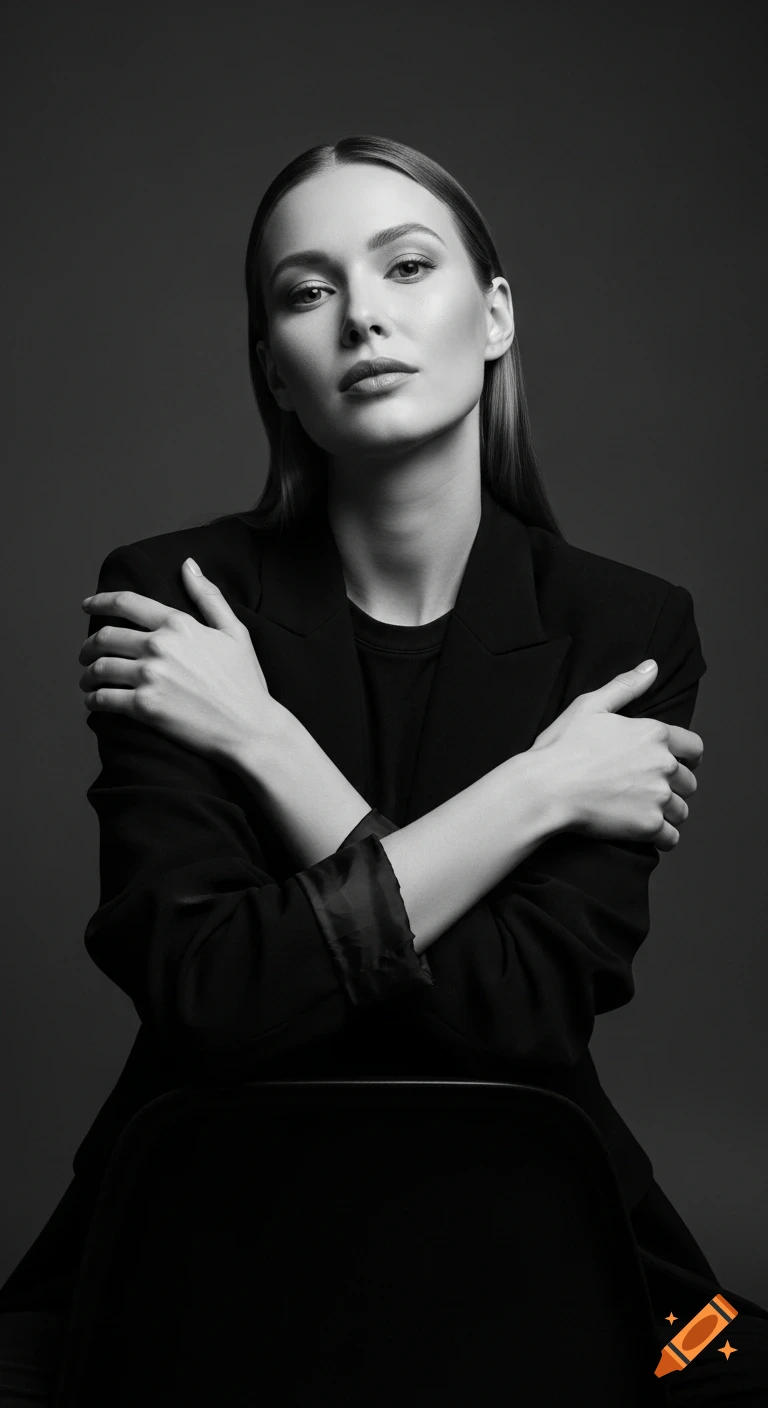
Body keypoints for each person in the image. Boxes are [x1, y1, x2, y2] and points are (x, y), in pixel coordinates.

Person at [1, 134, 766, 1405]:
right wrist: (536, 791)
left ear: (496, 315)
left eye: (407, 267)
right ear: (274, 373)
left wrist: (261, 744)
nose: (361, 314)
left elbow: (520, 1022)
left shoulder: (625, 631)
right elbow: (210, 998)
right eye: (306, 292)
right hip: (206, 1217)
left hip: (530, 1218)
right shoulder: (174, 605)